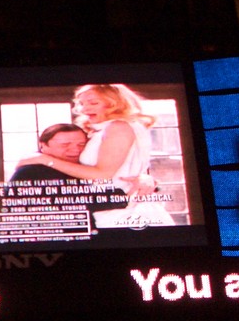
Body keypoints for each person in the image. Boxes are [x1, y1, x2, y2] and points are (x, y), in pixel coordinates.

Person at [17, 84, 173, 228]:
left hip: (126, 213)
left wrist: (45, 160)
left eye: (93, 103)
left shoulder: (118, 127)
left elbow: (104, 174)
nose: (84, 109)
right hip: (111, 211)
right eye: (82, 104)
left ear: (114, 103)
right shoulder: (103, 130)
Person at [10, 123, 88, 183]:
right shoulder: (29, 172)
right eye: (65, 145)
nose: (76, 150)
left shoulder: (89, 167)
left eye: (81, 144)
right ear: (43, 145)